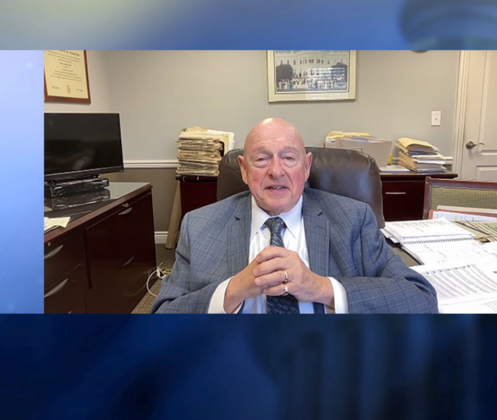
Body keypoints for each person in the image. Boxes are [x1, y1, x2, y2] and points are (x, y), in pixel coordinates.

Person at [152, 118, 437, 314]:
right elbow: (163, 315)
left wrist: (320, 287)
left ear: (306, 166)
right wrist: (232, 290)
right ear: (244, 170)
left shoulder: (353, 219)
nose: (276, 171)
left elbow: (420, 298)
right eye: (261, 159)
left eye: (289, 158)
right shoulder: (199, 225)